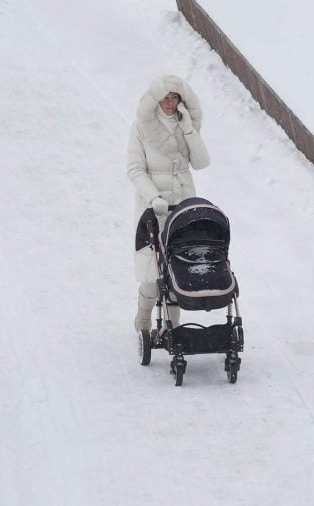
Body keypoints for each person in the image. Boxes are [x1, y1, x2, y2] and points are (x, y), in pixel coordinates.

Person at [128, 75, 210, 333]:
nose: (170, 103)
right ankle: (143, 315)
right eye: (165, 97)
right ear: (156, 99)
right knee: (152, 272)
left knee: (179, 268)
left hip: (183, 206)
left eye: (175, 97)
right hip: (153, 207)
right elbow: (135, 169)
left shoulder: (186, 124)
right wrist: (153, 197)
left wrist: (188, 129)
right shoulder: (142, 126)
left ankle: (173, 328)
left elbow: (201, 162)